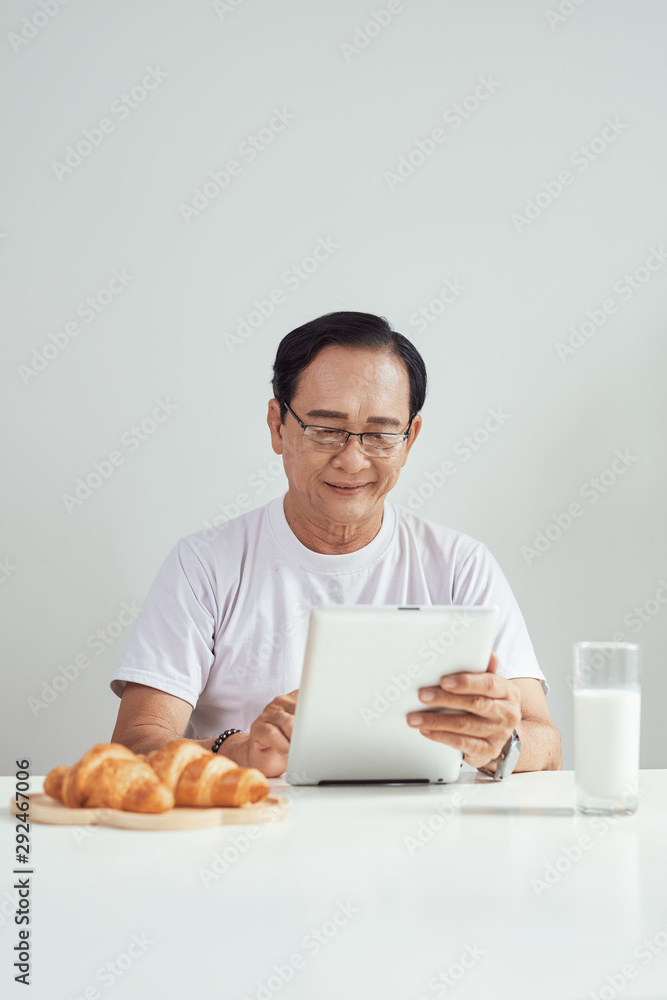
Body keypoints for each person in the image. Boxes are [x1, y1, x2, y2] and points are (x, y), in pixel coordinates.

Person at [110, 311, 562, 778]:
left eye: (381, 434)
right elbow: (134, 748)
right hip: (251, 840)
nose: (352, 460)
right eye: (325, 429)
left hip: (427, 844)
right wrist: (237, 751)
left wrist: (499, 743)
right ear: (277, 425)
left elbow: (547, 747)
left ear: (410, 440)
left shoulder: (460, 565)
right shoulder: (205, 566)